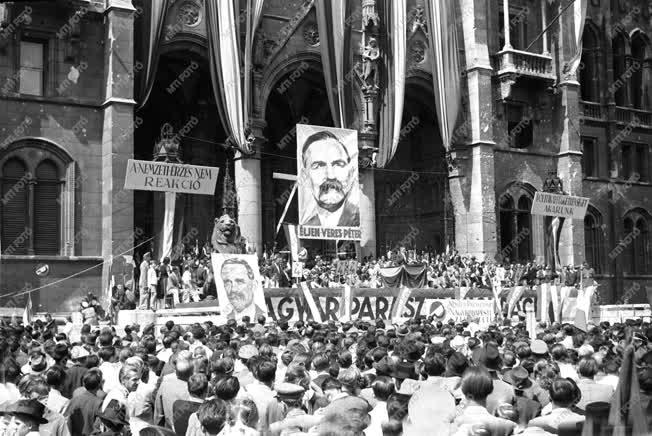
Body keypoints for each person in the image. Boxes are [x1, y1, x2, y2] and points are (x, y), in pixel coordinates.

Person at [300, 130, 360, 227]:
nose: (330, 176)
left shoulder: (364, 222)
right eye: (318, 165)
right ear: (305, 176)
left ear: (351, 173)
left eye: (338, 164)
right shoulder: (307, 225)